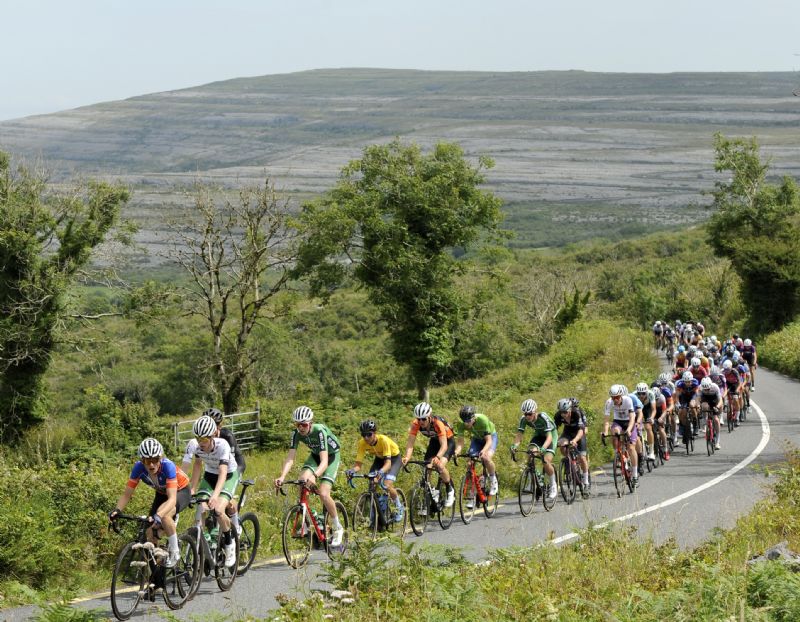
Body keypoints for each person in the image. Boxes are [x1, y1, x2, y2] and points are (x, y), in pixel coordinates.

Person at [110, 437, 191, 567]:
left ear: (160, 458)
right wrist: (117, 510)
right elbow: (126, 494)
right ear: (142, 461)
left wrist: (158, 516)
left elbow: (172, 499)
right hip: (161, 493)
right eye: (148, 461)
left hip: (181, 491)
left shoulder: (167, 466)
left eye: (155, 460)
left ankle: (175, 551)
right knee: (150, 533)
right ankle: (158, 577)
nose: (151, 464)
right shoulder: (138, 468)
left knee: (164, 515)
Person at [274, 406, 345, 547]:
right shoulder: (296, 433)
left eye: (304, 424)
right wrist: (282, 476)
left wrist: (315, 475)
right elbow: (290, 458)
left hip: (331, 456)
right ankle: (311, 516)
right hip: (315, 455)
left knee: (324, 493)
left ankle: (337, 527)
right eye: (298, 424)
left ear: (310, 423)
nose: (301, 428)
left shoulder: (319, 431)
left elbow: (324, 462)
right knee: (302, 480)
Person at [181, 415, 240, 567]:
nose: (201, 443)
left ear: (213, 435)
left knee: (219, 509)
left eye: (205, 440)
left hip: (228, 475)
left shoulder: (223, 445)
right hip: (209, 475)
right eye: (198, 438)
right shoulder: (193, 445)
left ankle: (229, 542)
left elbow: (222, 473)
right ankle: (206, 538)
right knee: (201, 507)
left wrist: (215, 496)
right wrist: (188, 489)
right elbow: (186, 469)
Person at [346, 419, 405, 522]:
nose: (366, 437)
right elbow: (358, 465)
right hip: (379, 459)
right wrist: (352, 471)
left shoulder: (383, 440)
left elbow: (388, 464)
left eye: (369, 434)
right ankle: (379, 510)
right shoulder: (362, 443)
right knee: (372, 482)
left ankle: (398, 506)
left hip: (394, 459)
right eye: (363, 435)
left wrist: (381, 472)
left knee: (387, 483)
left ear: (375, 433)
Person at [401, 402, 456, 508]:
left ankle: (450, 489)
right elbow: (410, 444)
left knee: (439, 465)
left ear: (429, 417)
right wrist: (407, 457)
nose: (421, 421)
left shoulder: (437, 423)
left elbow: (444, 446)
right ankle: (430, 492)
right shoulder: (416, 424)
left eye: (424, 419)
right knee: (427, 467)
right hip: (434, 442)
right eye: (418, 419)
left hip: (448, 442)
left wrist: (438, 457)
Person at [204, 407, 245, 535]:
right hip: (218, 468)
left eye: (214, 424)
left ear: (219, 425)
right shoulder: (204, 438)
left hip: (235, 466)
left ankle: (236, 526)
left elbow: (229, 463)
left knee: (224, 497)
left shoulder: (226, 436)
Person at [511, 399, 558, 499]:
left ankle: (553, 484)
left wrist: (543, 449)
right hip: (538, 435)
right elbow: (519, 434)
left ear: (535, 411)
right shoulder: (524, 419)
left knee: (546, 461)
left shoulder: (543, 418)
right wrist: (515, 446)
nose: (527, 416)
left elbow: (549, 437)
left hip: (550, 436)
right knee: (530, 453)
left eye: (529, 414)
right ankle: (532, 478)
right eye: (525, 414)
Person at [454, 405, 498, 497]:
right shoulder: (461, 424)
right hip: (477, 439)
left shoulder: (482, 419)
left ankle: (493, 479)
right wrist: (457, 452)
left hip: (490, 438)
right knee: (470, 463)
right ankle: (472, 492)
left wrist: (483, 451)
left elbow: (489, 441)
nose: (466, 424)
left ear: (473, 417)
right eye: (464, 421)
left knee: (486, 458)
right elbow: (460, 442)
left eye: (469, 421)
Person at [602, 384, 639, 486]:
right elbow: (606, 420)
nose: (615, 400)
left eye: (617, 397)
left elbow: (632, 418)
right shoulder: (609, 402)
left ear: (621, 396)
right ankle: (618, 453)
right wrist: (605, 431)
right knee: (614, 432)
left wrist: (629, 430)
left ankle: (635, 475)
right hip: (618, 421)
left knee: (631, 448)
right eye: (613, 398)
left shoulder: (628, 400)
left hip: (629, 422)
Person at [553, 397, 590, 496]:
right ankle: (569, 461)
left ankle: (586, 482)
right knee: (562, 445)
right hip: (568, 432)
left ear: (570, 409)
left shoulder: (577, 413)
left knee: (582, 457)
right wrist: (554, 441)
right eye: (561, 412)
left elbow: (582, 430)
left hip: (578, 432)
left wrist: (575, 440)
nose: (563, 415)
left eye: (565, 412)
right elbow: (553, 430)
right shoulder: (558, 415)